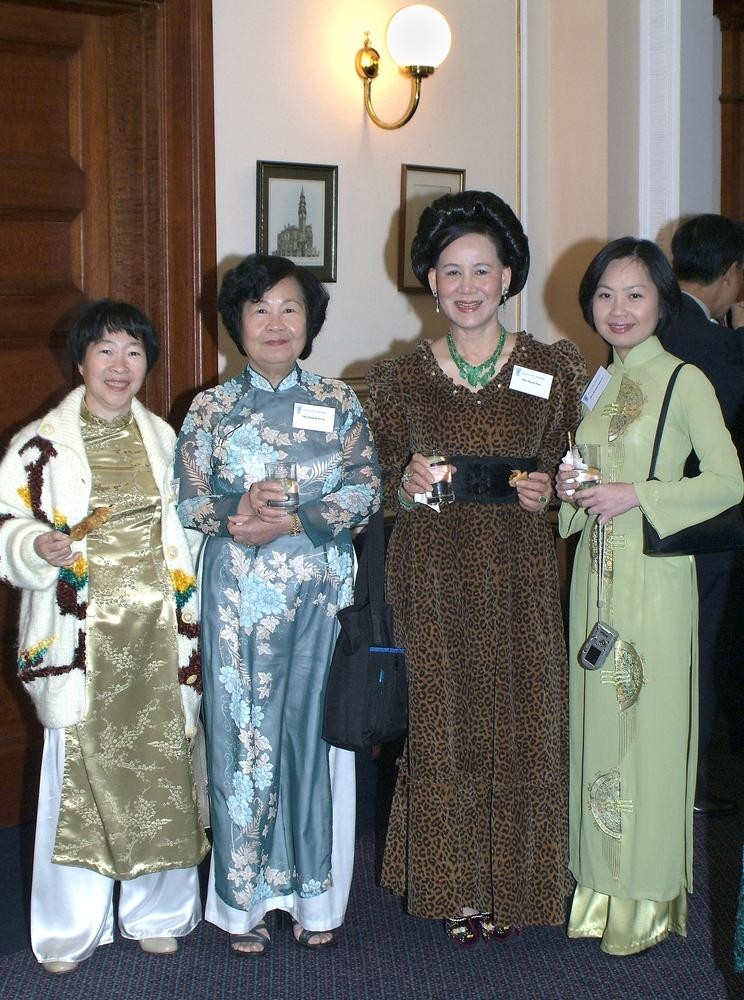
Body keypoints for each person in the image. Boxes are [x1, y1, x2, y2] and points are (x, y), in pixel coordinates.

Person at [364, 190, 586, 945]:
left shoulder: (551, 369)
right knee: (443, 726)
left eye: (482, 271)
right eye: (451, 271)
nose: (466, 287)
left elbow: (576, 465)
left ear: (508, 276)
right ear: (430, 280)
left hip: (521, 570)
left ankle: (520, 886)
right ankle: (456, 888)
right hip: (431, 570)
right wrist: (405, 481)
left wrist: (549, 486)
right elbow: (371, 476)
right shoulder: (398, 380)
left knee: (524, 721)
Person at [175, 253, 381, 956]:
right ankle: (244, 904)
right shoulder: (209, 408)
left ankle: (312, 895)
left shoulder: (339, 400)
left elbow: (366, 489)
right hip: (236, 597)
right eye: (259, 308)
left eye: (290, 308)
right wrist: (238, 507)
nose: (274, 322)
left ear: (310, 322)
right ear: (236, 321)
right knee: (240, 739)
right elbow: (189, 500)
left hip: (319, 596)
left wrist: (292, 519)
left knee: (310, 739)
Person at [0, 300, 208, 975]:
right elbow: (7, 524)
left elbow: (190, 530)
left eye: (134, 353)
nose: (119, 366)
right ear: (81, 358)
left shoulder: (167, 440)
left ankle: (157, 910)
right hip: (83, 642)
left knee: (161, 771)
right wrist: (36, 543)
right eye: (106, 350)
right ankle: (71, 924)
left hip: (157, 637)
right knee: (77, 784)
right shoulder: (39, 446)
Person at [556, 238, 743, 956]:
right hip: (594, 581)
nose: (618, 308)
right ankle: (600, 892)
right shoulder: (596, 385)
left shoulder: (683, 379)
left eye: (635, 294)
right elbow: (585, 490)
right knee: (598, 734)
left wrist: (637, 493)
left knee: (648, 737)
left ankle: (647, 903)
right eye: (605, 294)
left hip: (654, 582)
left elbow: (728, 483)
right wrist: (573, 494)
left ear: (663, 300)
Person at [658, 214, 744, 814]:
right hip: (707, 531)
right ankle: (685, 786)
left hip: (644, 524)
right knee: (698, 661)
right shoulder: (723, 348)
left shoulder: (647, 328)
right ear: (732, 272)